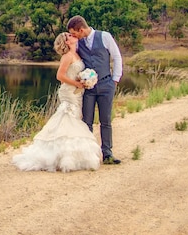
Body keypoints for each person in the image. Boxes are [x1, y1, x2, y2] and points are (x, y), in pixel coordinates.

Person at [12, 32, 102, 172]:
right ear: (66, 42)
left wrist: (85, 79)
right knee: (68, 119)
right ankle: (61, 156)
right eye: (69, 36)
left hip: (77, 92)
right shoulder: (67, 57)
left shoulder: (77, 54)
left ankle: (71, 155)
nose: (73, 36)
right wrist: (75, 83)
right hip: (69, 92)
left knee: (75, 118)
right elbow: (59, 75)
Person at [66, 15, 123, 165]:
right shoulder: (78, 43)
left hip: (106, 84)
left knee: (106, 121)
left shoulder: (105, 36)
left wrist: (115, 79)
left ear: (81, 29)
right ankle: (88, 155)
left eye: (74, 33)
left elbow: (117, 57)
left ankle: (108, 154)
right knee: (87, 121)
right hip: (88, 89)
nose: (73, 36)